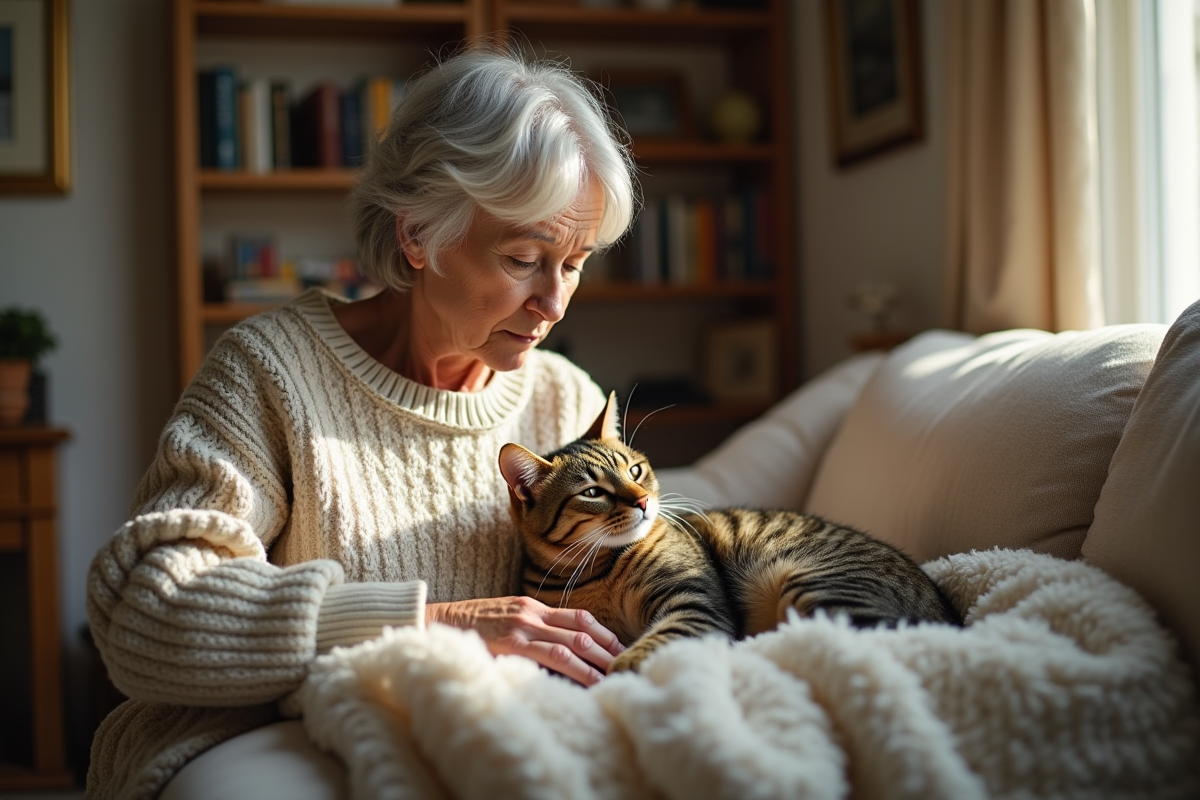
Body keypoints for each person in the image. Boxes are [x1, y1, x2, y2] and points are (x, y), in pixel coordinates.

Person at [86, 42, 639, 800]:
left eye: (573, 262)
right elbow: (145, 616)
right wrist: (428, 623)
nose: (554, 302)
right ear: (417, 235)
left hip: (487, 742)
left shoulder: (570, 405)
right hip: (258, 742)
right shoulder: (270, 372)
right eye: (522, 258)